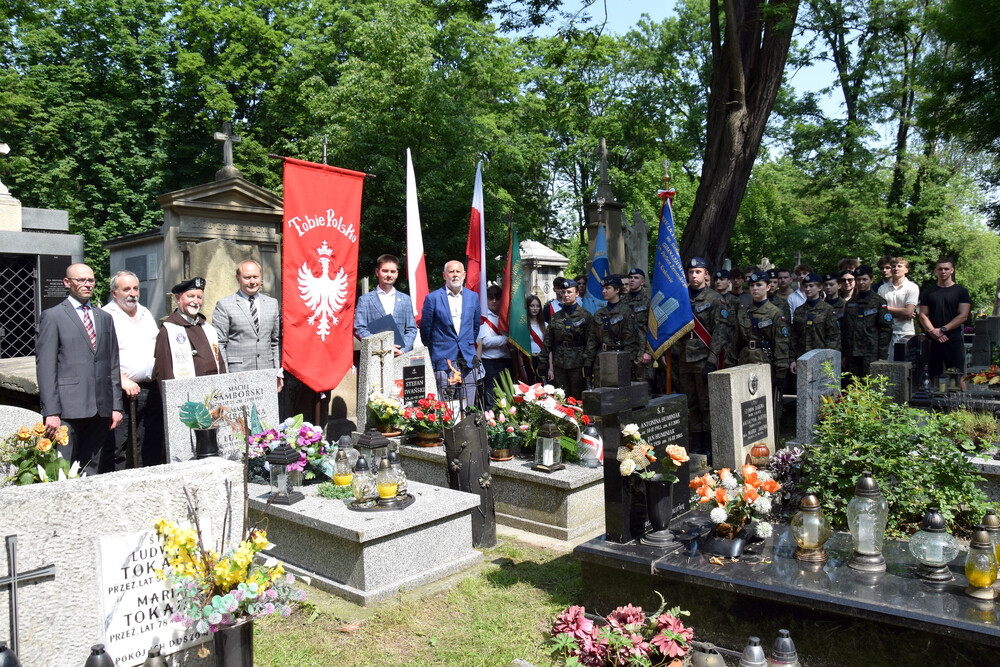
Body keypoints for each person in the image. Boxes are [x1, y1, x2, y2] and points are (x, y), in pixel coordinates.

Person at [36, 263, 123, 475]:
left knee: (91, 468)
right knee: (62, 468)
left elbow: (112, 363)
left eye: (91, 280)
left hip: (100, 409)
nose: (87, 284)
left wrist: (116, 406)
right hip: (68, 409)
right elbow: (46, 368)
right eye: (81, 280)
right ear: (67, 283)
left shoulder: (104, 318)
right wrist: (52, 412)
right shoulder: (53, 316)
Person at [103, 270, 164, 468]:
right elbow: (100, 357)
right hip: (122, 391)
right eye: (126, 289)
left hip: (150, 388)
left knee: (151, 442)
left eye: (135, 288)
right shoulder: (105, 316)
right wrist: (121, 378)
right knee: (118, 446)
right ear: (114, 293)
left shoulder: (146, 313)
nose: (132, 293)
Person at [679, 258, 731, 459]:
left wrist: (712, 359)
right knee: (691, 403)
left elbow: (720, 332)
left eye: (698, 272)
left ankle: (709, 446)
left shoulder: (715, 299)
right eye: (691, 272)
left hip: (704, 357)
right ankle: (696, 445)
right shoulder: (682, 298)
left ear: (706, 274)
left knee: (706, 404)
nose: (694, 276)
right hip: (685, 358)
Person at [212, 260, 283, 391]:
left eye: (255, 277)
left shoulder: (272, 303)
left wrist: (278, 372)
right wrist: (224, 376)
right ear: (238, 278)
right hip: (237, 375)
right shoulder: (224, 305)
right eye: (247, 277)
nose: (252, 281)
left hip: (266, 373)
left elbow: (275, 341)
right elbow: (219, 343)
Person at [726, 270, 789, 414]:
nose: (755, 288)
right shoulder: (743, 312)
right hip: (744, 362)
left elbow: (781, 345)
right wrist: (729, 365)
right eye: (752, 285)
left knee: (765, 406)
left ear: (768, 287)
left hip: (766, 363)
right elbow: (736, 341)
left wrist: (781, 372)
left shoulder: (776, 313)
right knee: (745, 405)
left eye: (759, 285)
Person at [419, 260, 481, 408]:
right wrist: (438, 347)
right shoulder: (432, 298)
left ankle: (465, 431)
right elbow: (425, 330)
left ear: (464, 275)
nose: (455, 275)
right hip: (443, 359)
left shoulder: (473, 297)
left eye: (458, 272)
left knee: (468, 404)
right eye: (451, 272)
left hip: (467, 359)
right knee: (444, 406)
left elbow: (475, 326)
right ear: (444, 275)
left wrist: (467, 343)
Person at [153, 277, 227, 385]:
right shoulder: (168, 330)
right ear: (178, 298)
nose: (196, 301)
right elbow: (164, 371)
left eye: (199, 297)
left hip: (213, 391)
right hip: (186, 396)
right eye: (190, 296)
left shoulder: (208, 329)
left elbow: (220, 364)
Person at [918, 257, 971, 381]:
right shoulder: (928, 292)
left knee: (958, 376)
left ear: (952, 270)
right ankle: (932, 400)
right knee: (932, 377)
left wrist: (943, 329)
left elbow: (963, 315)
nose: (943, 272)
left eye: (946, 269)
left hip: (953, 338)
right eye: (940, 269)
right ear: (935, 271)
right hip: (933, 338)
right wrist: (933, 331)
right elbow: (923, 315)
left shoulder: (961, 291)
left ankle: (960, 399)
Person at [354, 254, 419, 356]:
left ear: (397, 274)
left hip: (400, 356)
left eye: (392, 271)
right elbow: (359, 329)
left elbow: (411, 329)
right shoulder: (365, 300)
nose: (389, 275)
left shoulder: (405, 300)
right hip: (374, 356)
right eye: (385, 271)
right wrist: (382, 347)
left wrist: (403, 350)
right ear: (377, 272)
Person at [539, 279, 591, 400]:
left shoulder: (585, 316)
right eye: (563, 292)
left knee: (578, 398)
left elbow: (591, 342)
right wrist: (543, 362)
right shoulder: (556, 317)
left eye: (569, 292)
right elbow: (548, 342)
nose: (566, 295)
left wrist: (588, 363)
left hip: (578, 363)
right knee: (561, 397)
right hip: (560, 363)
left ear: (577, 293)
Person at [585, 276, 641, 384]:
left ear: (617, 290)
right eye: (603, 289)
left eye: (607, 288)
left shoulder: (626, 312)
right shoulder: (599, 314)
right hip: (601, 360)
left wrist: (627, 363)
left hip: (619, 359)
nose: (603, 291)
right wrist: (588, 362)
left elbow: (630, 343)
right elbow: (592, 341)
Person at [841, 265, 892, 378]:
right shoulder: (850, 303)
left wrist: (882, 355)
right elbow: (846, 330)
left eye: (864, 279)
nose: (861, 282)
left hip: (871, 353)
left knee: (871, 385)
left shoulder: (879, 302)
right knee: (853, 386)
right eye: (858, 280)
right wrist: (845, 354)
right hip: (853, 353)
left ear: (871, 280)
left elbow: (885, 329)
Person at [789, 273, 840, 375]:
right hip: (802, 357)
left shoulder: (828, 310)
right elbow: (793, 337)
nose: (808, 289)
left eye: (811, 286)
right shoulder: (799, 311)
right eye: (806, 286)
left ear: (820, 287)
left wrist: (828, 359)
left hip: (821, 358)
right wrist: (792, 359)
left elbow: (833, 337)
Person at [877, 256, 919, 360]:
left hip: (905, 333)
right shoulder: (883, 288)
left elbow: (908, 312)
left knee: (905, 366)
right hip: (887, 333)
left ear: (906, 270)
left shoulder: (912, 287)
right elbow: (880, 312)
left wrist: (887, 309)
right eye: (893, 266)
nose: (896, 268)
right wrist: (902, 312)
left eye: (899, 266)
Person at [477, 284, 511, 408]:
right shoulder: (483, 318)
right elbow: (485, 342)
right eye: (491, 298)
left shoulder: (506, 317)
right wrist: (506, 339)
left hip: (506, 361)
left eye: (497, 298)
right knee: (491, 398)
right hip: (489, 363)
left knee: (507, 395)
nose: (494, 301)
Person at [624, 268, 653, 376]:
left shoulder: (648, 299)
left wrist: (648, 352)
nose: (632, 280)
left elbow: (653, 327)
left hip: (642, 350)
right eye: (630, 277)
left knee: (643, 386)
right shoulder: (623, 301)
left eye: (636, 278)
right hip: (626, 350)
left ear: (642, 282)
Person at [526, 294, 547, 384]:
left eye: (537, 306)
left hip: (542, 360)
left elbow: (548, 347)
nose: (535, 309)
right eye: (532, 306)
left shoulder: (545, 325)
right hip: (528, 359)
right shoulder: (523, 326)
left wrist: (550, 368)